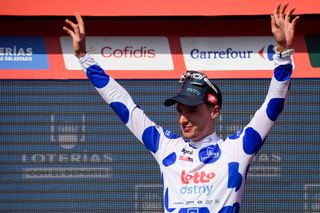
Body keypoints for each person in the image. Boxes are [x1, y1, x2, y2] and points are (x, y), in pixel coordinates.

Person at [63, 3, 299, 213]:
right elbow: (123, 105)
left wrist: (283, 54)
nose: (183, 119)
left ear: (214, 111)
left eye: (192, 110)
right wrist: (84, 58)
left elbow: (273, 105)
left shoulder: (237, 149)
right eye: (180, 111)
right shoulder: (166, 147)